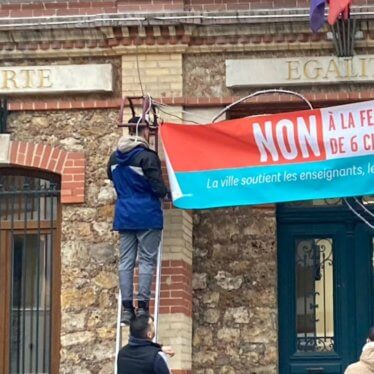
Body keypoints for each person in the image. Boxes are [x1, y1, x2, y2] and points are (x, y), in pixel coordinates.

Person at [107, 117, 169, 325]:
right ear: (143, 132)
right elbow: (157, 187)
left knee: (126, 262)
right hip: (147, 214)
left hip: (125, 216)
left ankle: (126, 309)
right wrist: (171, 194)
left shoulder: (114, 159)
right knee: (146, 261)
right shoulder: (147, 157)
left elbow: (113, 180)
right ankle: (142, 307)